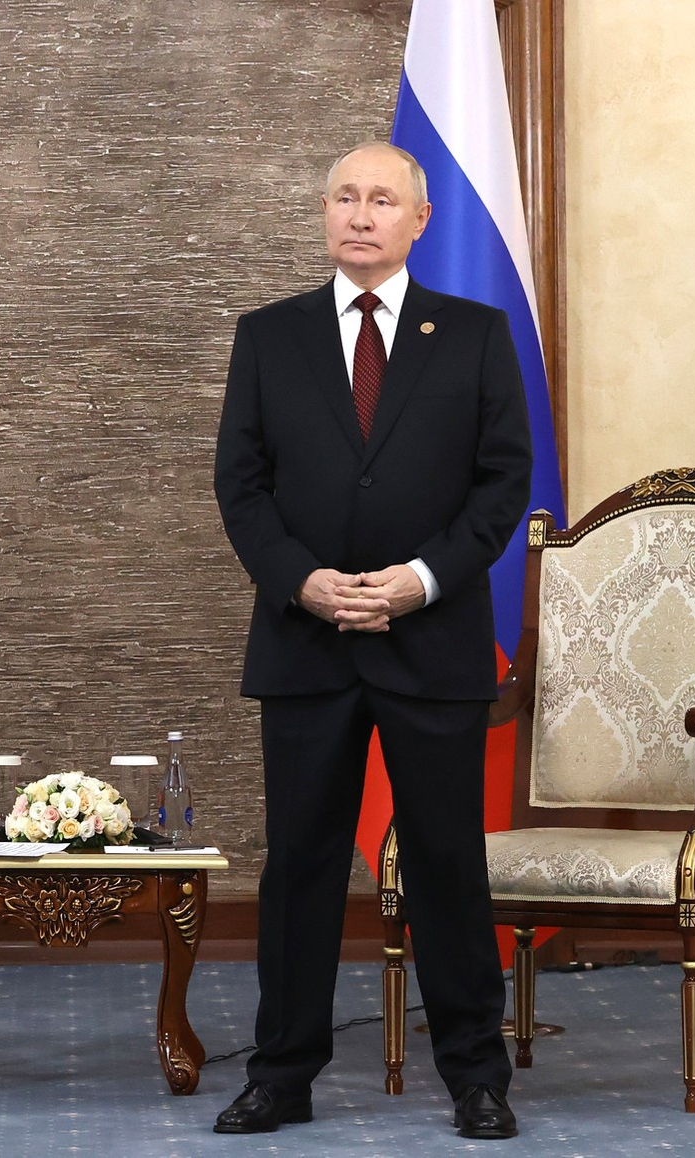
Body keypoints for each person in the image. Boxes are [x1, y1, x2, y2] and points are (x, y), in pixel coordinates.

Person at [211, 141, 533, 1140]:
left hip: (430, 641)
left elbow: (502, 483)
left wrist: (419, 580)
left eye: (382, 199)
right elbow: (240, 485)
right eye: (344, 197)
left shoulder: (474, 334)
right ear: (324, 214)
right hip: (305, 643)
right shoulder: (268, 336)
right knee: (300, 865)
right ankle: (281, 1073)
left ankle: (476, 1077)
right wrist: (300, 582)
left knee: (446, 862)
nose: (360, 214)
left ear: (418, 221)